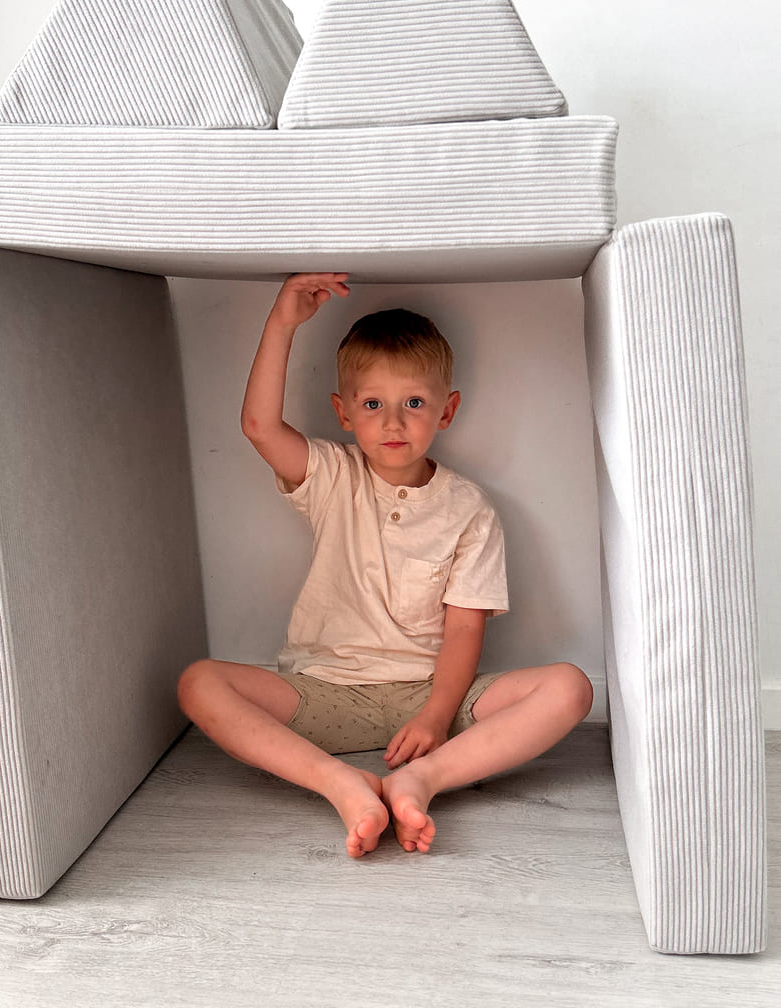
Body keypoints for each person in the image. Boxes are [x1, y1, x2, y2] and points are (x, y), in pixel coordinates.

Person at [177, 273, 593, 859]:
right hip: (326, 692)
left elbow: (464, 628)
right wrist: (282, 322)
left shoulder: (469, 509)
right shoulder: (332, 476)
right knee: (200, 683)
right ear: (344, 412)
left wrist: (435, 717)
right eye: (373, 404)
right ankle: (340, 783)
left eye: (413, 403)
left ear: (446, 410)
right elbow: (259, 427)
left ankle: (419, 780)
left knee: (570, 687)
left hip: (432, 696)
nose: (393, 423)